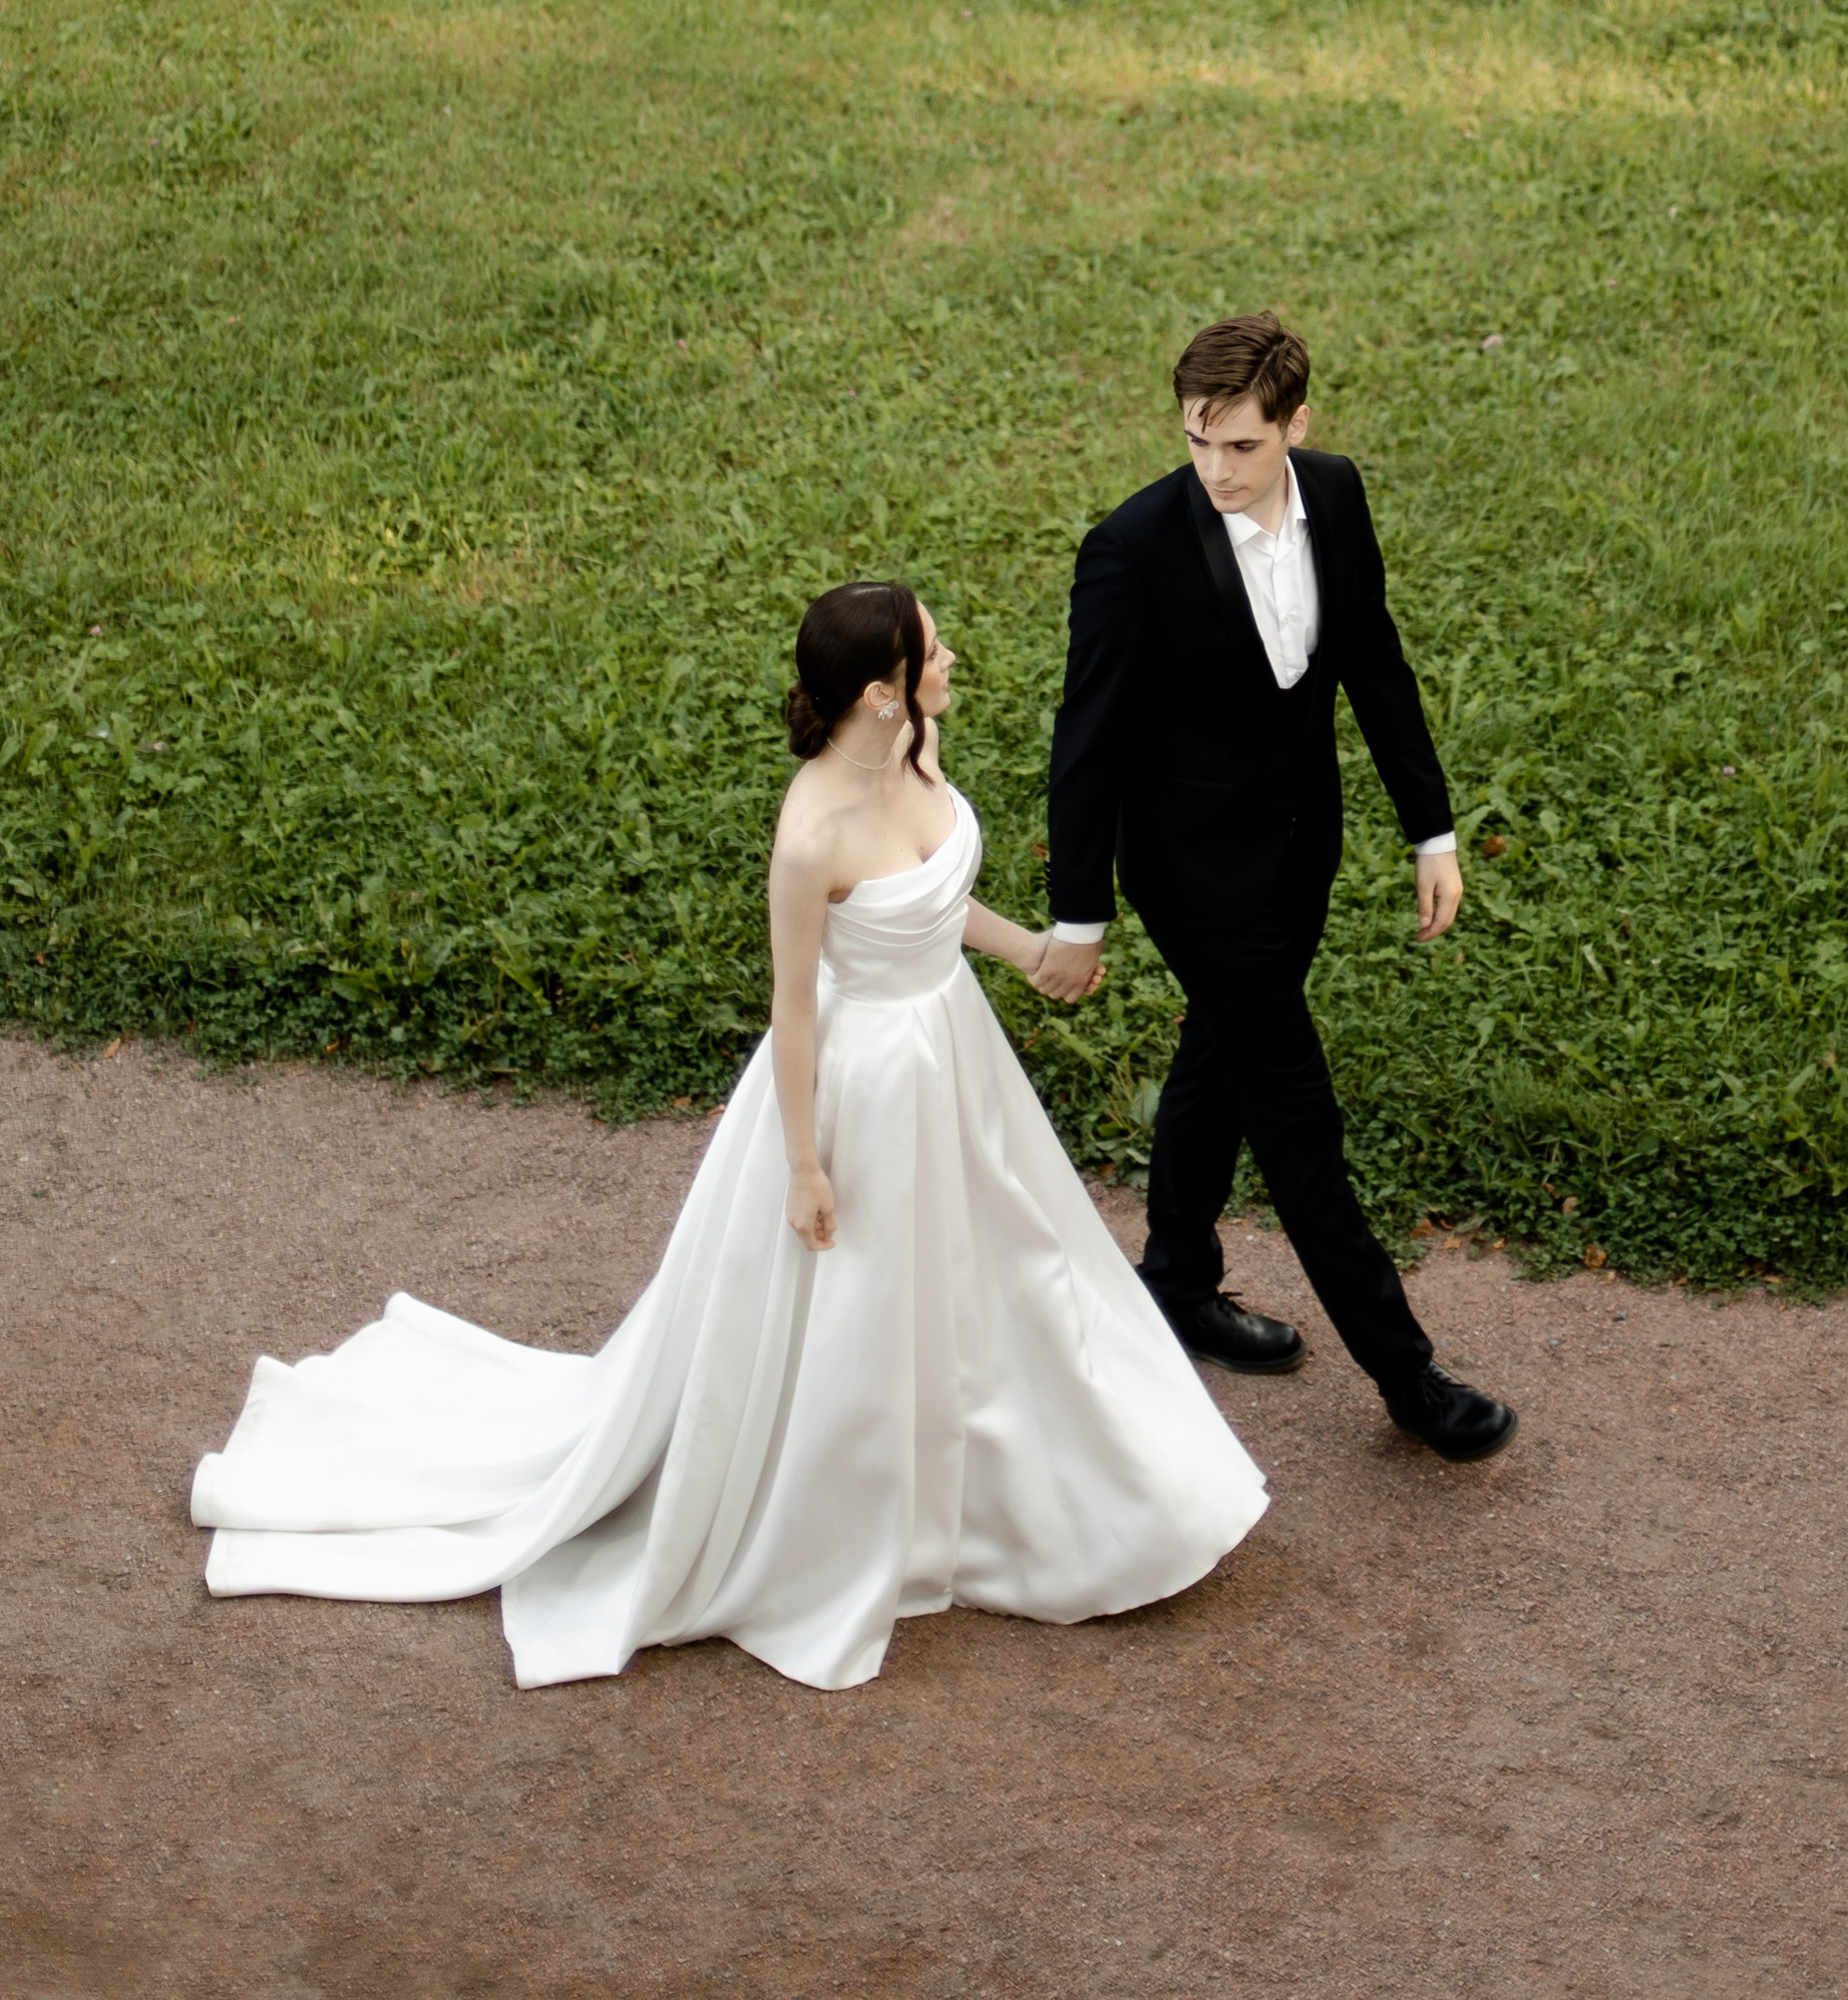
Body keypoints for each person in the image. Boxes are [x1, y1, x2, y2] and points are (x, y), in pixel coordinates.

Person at [192, 584, 1267, 1691]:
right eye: (935, 650)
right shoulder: (810, 834)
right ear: (879, 693)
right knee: (872, 1301)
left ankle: (1059, 1494)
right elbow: (795, 1010)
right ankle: (870, 1512)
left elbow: (931, 905)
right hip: (861, 1089)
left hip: (953, 1052)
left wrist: (1024, 951)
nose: (953, 661)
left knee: (1015, 1270)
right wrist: (803, 1164)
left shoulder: (917, 746)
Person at [1038, 313, 1518, 1462]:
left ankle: (1176, 1282)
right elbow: (1085, 740)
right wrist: (1079, 911)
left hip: (1302, 851)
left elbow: (1374, 661)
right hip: (1194, 875)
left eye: (1242, 447)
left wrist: (1431, 830)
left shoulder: (1338, 498)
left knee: (1219, 1055)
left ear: (1296, 425)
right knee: (1299, 1123)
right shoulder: (1132, 547)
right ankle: (1410, 1384)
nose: (1215, 470)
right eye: (1197, 442)